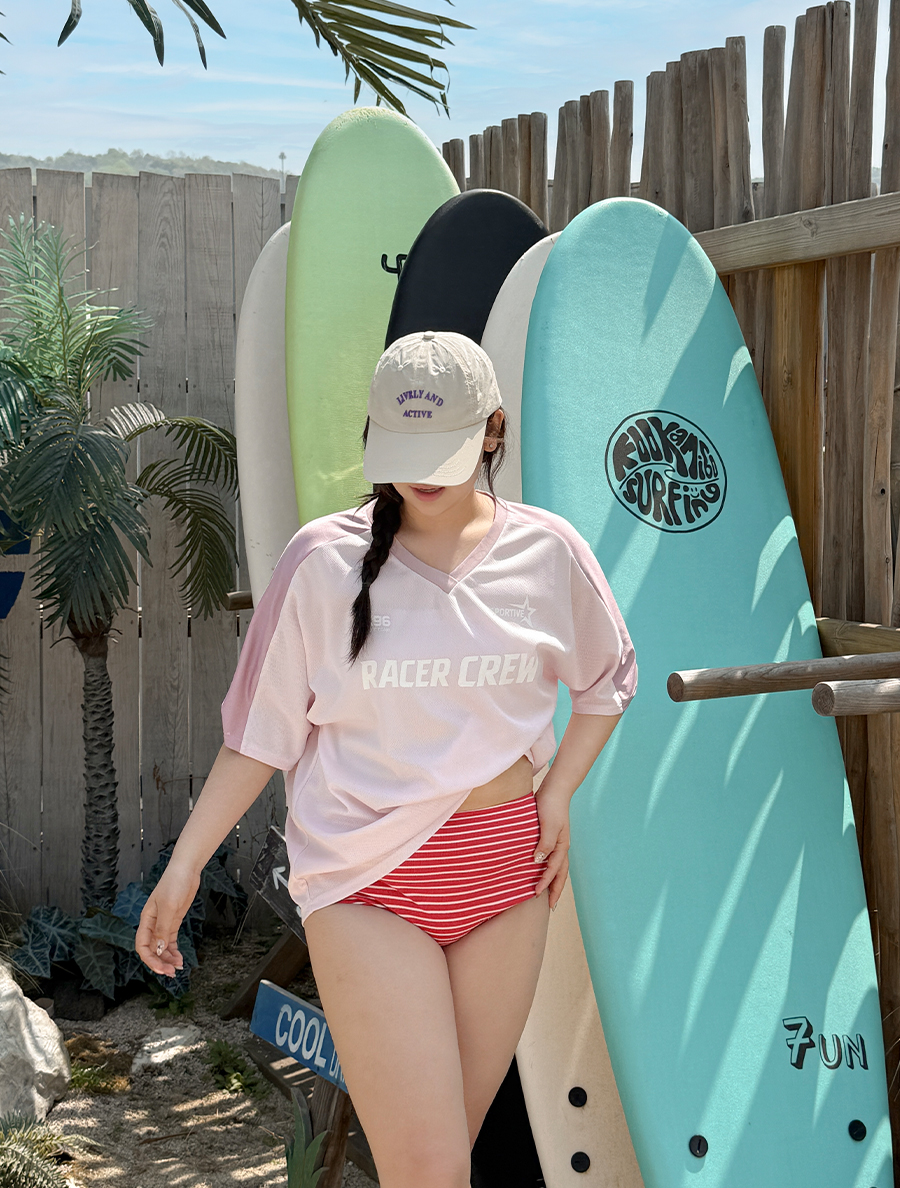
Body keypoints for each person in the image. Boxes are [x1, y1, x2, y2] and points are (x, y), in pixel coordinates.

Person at [135, 330, 637, 1188]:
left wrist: (557, 795)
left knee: (440, 1163)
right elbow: (259, 735)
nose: (422, 476)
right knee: (429, 1168)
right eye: (403, 449)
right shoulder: (320, 561)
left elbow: (608, 681)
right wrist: (183, 869)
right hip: (367, 884)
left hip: (507, 881)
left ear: (493, 430)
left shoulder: (549, 552)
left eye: (443, 448)